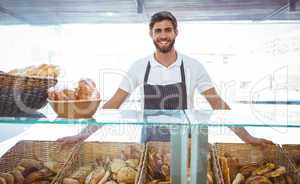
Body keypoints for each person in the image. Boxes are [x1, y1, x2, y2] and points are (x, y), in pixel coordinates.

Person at [57, 11, 273, 146]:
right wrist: (81, 136)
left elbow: (218, 105)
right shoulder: (139, 66)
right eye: (158, 30)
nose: (163, 35)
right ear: (151, 34)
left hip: (184, 141)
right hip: (149, 139)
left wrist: (247, 138)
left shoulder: (193, 66)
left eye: (168, 30)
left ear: (176, 33)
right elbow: (111, 106)